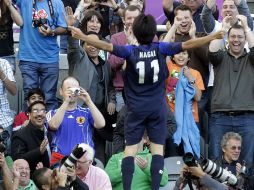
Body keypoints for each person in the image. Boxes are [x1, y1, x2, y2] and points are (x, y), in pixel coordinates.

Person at [70, 13, 224, 190]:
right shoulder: (161, 48)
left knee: (129, 152)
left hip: (135, 109)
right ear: (153, 33)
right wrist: (213, 36)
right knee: (157, 151)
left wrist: (81, 36)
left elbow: (106, 45)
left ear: (135, 32)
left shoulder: (130, 51)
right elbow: (188, 44)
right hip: (157, 109)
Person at [66, 7, 116, 164]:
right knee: (80, 150)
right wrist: (73, 28)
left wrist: (112, 100)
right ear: (84, 45)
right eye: (89, 43)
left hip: (100, 114)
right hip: (81, 111)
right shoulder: (78, 58)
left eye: (97, 43)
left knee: (99, 152)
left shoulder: (106, 65)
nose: (93, 46)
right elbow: (74, 46)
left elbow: (111, 87)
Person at [208, 15, 254, 166]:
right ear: (228, 39)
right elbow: (212, 49)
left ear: (245, 39)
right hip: (220, 116)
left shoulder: (251, 59)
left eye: (240, 37)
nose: (236, 40)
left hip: (247, 117)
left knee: (247, 163)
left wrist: (246, 27)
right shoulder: (221, 57)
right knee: (215, 161)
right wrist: (224, 29)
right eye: (233, 36)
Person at [15, 0, 67, 111]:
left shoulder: (57, 3)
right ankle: (29, 126)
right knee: (29, 96)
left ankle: (49, 127)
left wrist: (51, 31)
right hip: (28, 57)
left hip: (50, 57)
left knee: (49, 97)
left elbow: (64, 27)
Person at [46, 76, 105, 165]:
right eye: (68, 89)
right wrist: (66, 101)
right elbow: (53, 126)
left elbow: (101, 124)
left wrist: (88, 101)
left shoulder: (87, 112)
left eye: (75, 89)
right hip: (60, 159)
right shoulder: (53, 113)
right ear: (61, 91)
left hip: (84, 160)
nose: (72, 92)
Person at [11, 101, 51, 173]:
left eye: (43, 111)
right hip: (30, 179)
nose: (40, 114)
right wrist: (38, 151)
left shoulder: (49, 133)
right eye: (35, 111)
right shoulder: (20, 136)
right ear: (29, 114)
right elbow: (18, 160)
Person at [0, 0, 23, 72]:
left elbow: (20, 23)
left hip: (7, 54)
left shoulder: (8, 5)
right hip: (7, 54)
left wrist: (9, 5)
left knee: (9, 82)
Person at [0, 58, 17, 155]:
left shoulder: (4, 63)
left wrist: (2, 75)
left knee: (7, 157)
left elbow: (14, 91)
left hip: (4, 120)